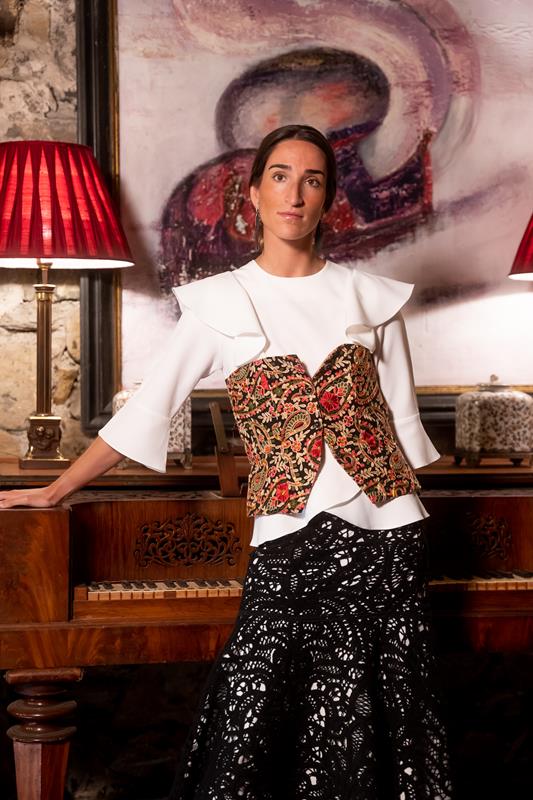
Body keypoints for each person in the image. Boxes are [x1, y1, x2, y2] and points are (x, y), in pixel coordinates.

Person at [0, 124, 452, 800]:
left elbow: (404, 430)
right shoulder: (218, 303)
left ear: (329, 198)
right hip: (288, 537)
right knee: (254, 713)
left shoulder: (373, 299)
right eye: (280, 176)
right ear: (252, 193)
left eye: (312, 180)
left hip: (387, 539)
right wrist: (55, 489)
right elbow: (146, 412)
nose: (294, 194)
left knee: (374, 714)